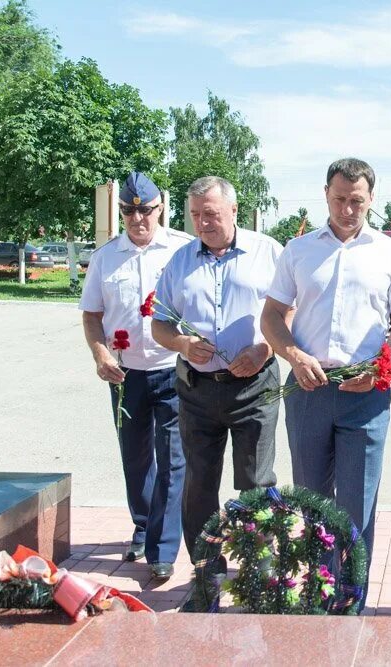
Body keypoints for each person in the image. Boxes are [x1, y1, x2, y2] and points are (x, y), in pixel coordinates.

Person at [261, 158, 391, 597]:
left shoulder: (389, 252)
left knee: (358, 501)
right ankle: (316, 587)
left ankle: (352, 597)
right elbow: (271, 315)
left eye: (357, 201)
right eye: (339, 200)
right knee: (311, 498)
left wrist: (381, 367)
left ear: (371, 199)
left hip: (365, 392)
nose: (347, 210)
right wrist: (292, 354)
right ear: (325, 195)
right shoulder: (299, 250)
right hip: (309, 388)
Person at [151, 176, 284, 563]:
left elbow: (291, 313)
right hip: (197, 390)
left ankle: (261, 569)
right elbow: (160, 324)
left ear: (234, 210)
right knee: (199, 482)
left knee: (257, 482)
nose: (202, 224)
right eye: (195, 215)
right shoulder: (179, 261)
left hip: (255, 387)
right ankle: (206, 570)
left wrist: (265, 348)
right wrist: (182, 344)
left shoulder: (268, 253)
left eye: (210, 214)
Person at [79, 172, 194, 579]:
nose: (137, 218)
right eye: (128, 210)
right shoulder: (106, 257)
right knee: (135, 457)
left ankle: (162, 549)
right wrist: (99, 354)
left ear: (160, 207)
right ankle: (144, 524)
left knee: (173, 457)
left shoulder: (183, 250)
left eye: (145, 209)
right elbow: (92, 314)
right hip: (126, 375)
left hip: (173, 369)